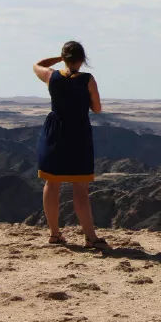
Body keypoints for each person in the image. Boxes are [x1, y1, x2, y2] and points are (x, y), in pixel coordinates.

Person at [32, 41, 108, 248]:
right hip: (78, 133)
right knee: (80, 187)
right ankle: (90, 237)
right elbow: (98, 108)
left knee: (51, 183)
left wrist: (60, 59)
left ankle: (55, 234)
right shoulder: (87, 80)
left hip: (54, 133)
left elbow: (37, 64)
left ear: (64, 58)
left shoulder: (51, 77)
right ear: (83, 60)